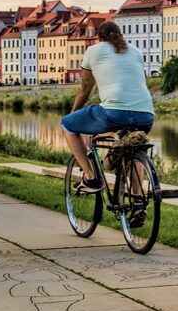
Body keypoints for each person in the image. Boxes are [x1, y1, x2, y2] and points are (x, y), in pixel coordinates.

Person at [61, 22, 154, 194]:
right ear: (120, 35)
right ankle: (138, 197)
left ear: (99, 37)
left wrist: (74, 114)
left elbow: (85, 89)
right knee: (133, 148)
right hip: (146, 114)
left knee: (67, 125)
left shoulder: (93, 51)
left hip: (114, 112)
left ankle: (90, 178)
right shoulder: (136, 51)